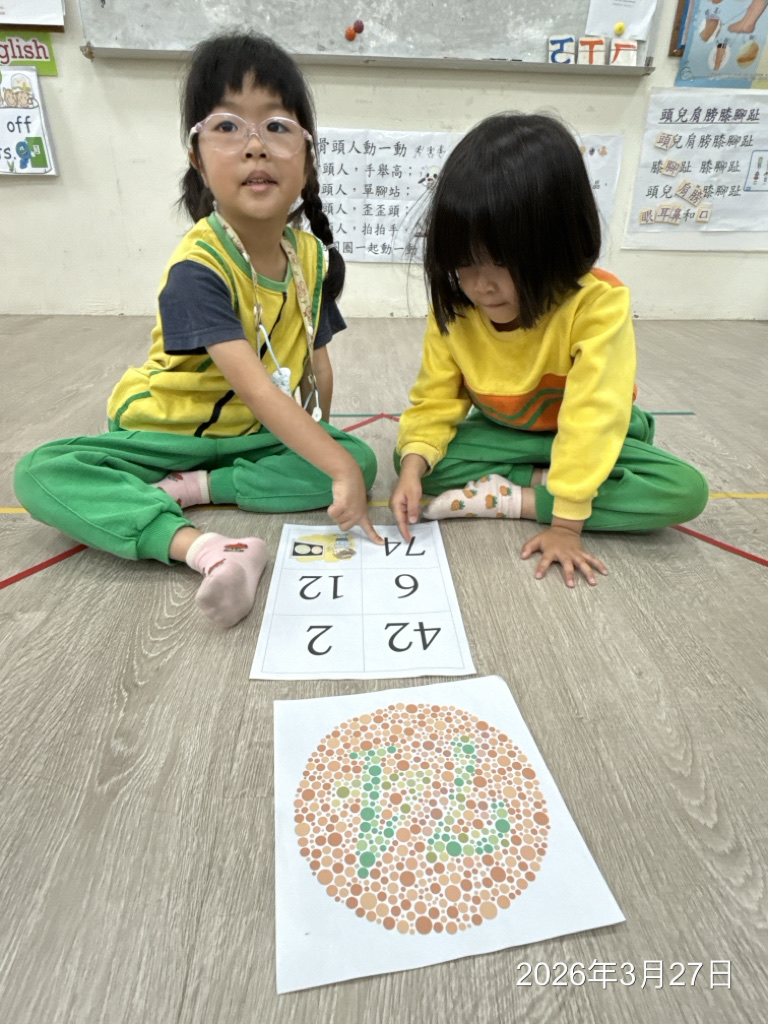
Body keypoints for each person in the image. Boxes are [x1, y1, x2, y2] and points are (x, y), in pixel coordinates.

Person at [15, 33, 381, 627]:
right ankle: (207, 548)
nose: (256, 145)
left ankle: (192, 488)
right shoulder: (199, 266)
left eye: (278, 126)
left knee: (360, 459)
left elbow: (319, 362)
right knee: (40, 471)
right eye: (228, 126)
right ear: (197, 156)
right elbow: (256, 389)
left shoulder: (312, 259)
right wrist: (331, 467)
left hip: (250, 437)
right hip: (167, 433)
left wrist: (328, 445)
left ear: (308, 158)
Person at [390, 113, 708, 587]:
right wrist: (414, 466)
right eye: (463, 262)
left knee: (684, 491)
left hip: (588, 432)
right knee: (416, 461)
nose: (480, 285)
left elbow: (593, 416)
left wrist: (565, 523)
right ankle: (544, 476)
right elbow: (435, 402)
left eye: (501, 261)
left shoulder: (597, 305)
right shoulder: (455, 311)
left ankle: (519, 496)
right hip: (510, 435)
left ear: (559, 241)